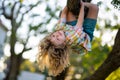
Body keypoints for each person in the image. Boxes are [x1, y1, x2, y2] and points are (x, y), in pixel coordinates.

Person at [37, 0, 99, 76]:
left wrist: (69, 5)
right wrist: (82, 6)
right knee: (94, 8)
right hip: (84, 35)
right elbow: (80, 21)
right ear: (63, 44)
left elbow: (63, 14)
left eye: (53, 36)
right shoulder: (72, 38)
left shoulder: (59, 30)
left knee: (70, 10)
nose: (57, 35)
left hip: (69, 29)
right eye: (58, 39)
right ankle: (83, 3)